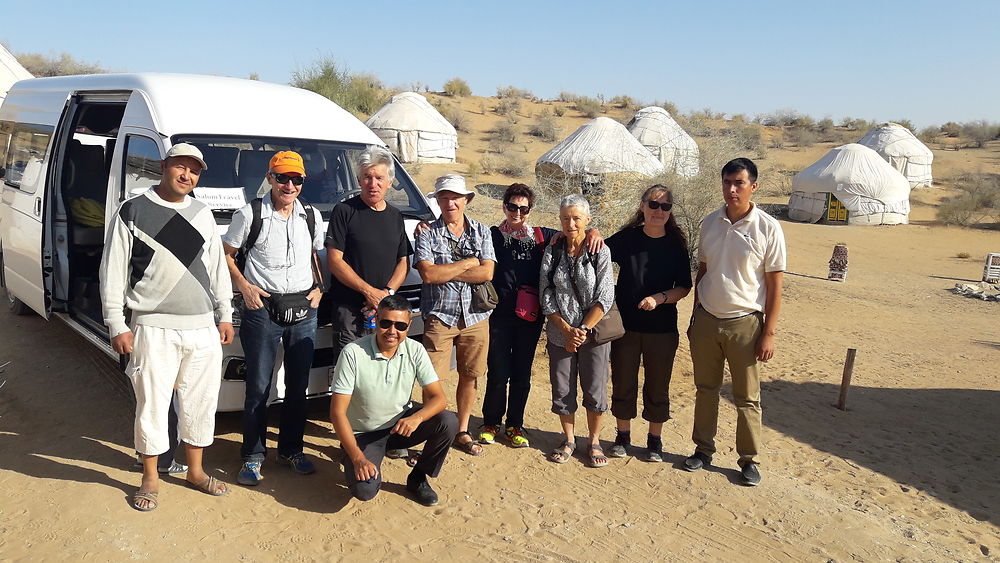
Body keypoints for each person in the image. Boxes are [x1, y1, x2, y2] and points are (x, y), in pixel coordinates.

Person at [100, 143, 233, 511]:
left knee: (200, 403)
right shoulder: (133, 211)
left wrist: (224, 313)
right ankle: (150, 478)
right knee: (153, 405)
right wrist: (116, 323)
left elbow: (218, 269)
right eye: (180, 167)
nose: (186, 175)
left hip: (202, 328)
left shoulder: (203, 214)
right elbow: (112, 272)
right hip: (152, 327)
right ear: (164, 166)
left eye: (194, 170)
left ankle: (195, 472)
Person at [222, 151, 324, 486]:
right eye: (283, 178)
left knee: (298, 387)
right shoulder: (250, 214)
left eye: (296, 179)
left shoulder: (310, 215)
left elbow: (313, 253)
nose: (290, 185)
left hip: (303, 309)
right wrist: (244, 287)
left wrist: (319, 287)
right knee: (259, 387)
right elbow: (226, 255)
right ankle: (252, 457)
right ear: (270, 178)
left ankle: (291, 450)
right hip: (262, 309)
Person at [684, 157, 786, 487]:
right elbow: (703, 271)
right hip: (707, 320)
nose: (731, 189)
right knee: (705, 390)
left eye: (739, 183)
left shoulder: (768, 228)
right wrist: (695, 315)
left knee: (747, 397)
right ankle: (703, 449)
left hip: (745, 323)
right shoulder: (710, 223)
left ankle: (749, 460)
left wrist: (768, 333)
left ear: (753, 186)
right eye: (727, 182)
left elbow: (774, 286)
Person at [478, 184, 602, 449]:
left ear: (529, 210)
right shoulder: (491, 236)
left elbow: (574, 229)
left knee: (522, 373)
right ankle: (490, 423)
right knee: (498, 371)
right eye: (512, 207)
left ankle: (514, 426)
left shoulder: (542, 236)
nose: (517, 213)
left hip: (529, 317)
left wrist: (593, 231)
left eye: (523, 208)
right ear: (504, 206)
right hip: (499, 316)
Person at [329, 294, 458, 506]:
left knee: (448, 421)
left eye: (400, 325)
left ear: (409, 325)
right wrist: (358, 458)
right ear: (376, 320)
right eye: (386, 323)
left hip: (399, 426)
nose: (392, 331)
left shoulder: (415, 349)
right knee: (365, 490)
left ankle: (418, 478)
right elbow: (337, 413)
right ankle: (350, 451)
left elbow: (439, 398)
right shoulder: (353, 353)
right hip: (364, 433)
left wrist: (416, 418)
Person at [326, 146, 412, 460]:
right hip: (350, 308)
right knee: (350, 373)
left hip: (384, 313)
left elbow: (403, 260)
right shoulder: (344, 212)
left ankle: (384, 436)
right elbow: (335, 261)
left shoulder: (395, 215)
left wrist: (385, 294)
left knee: (384, 372)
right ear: (358, 180)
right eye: (365, 177)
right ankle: (350, 439)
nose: (372, 184)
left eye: (378, 177)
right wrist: (369, 292)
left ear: (389, 181)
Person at [606, 185, 692, 462]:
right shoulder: (628, 238)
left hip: (662, 329)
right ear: (642, 206)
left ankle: (655, 441)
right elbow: (599, 251)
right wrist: (590, 233)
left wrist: (660, 298)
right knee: (623, 382)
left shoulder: (676, 243)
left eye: (665, 207)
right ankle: (623, 437)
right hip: (626, 326)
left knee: (658, 385)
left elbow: (684, 287)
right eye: (654, 205)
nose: (659, 211)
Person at [414, 174, 496, 456]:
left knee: (470, 376)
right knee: (432, 380)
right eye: (444, 197)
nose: (450, 202)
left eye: (455, 197)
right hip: (440, 316)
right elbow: (428, 273)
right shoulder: (427, 232)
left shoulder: (481, 231)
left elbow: (487, 272)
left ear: (466, 200)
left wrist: (447, 269)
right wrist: (467, 263)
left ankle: (461, 430)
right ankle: (432, 434)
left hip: (475, 317)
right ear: (437, 200)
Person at [539, 194, 615, 468]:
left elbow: (605, 294)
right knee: (562, 389)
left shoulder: (599, 250)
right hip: (561, 333)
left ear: (588, 220)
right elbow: (546, 292)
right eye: (565, 218)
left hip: (592, 334)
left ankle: (593, 441)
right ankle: (569, 438)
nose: (570, 223)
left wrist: (581, 329)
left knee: (595, 389)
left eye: (576, 218)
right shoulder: (553, 250)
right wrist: (565, 328)